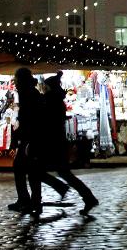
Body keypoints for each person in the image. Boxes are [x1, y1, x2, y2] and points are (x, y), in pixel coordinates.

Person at [35, 72, 99, 216]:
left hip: (53, 142)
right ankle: (86, 196)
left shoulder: (50, 100)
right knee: (63, 173)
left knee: (40, 171)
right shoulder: (57, 100)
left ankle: (83, 195)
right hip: (58, 142)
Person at [8, 68, 68, 212]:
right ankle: (33, 200)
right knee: (30, 169)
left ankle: (29, 200)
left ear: (21, 79)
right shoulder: (29, 92)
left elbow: (30, 118)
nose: (14, 82)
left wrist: (19, 137)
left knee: (25, 168)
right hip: (32, 137)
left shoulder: (28, 93)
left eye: (16, 78)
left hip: (31, 138)